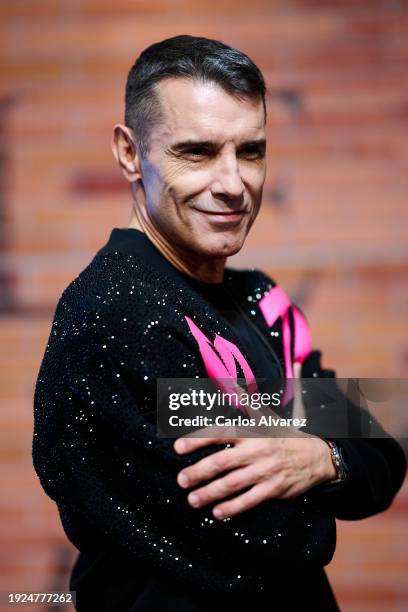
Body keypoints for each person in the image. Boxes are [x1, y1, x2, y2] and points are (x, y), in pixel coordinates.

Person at [32, 35, 406, 611]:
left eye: (250, 151)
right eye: (197, 152)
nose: (233, 184)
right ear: (130, 153)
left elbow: (382, 445)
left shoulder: (261, 300)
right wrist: (331, 458)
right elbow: (275, 533)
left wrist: (319, 459)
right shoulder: (123, 312)